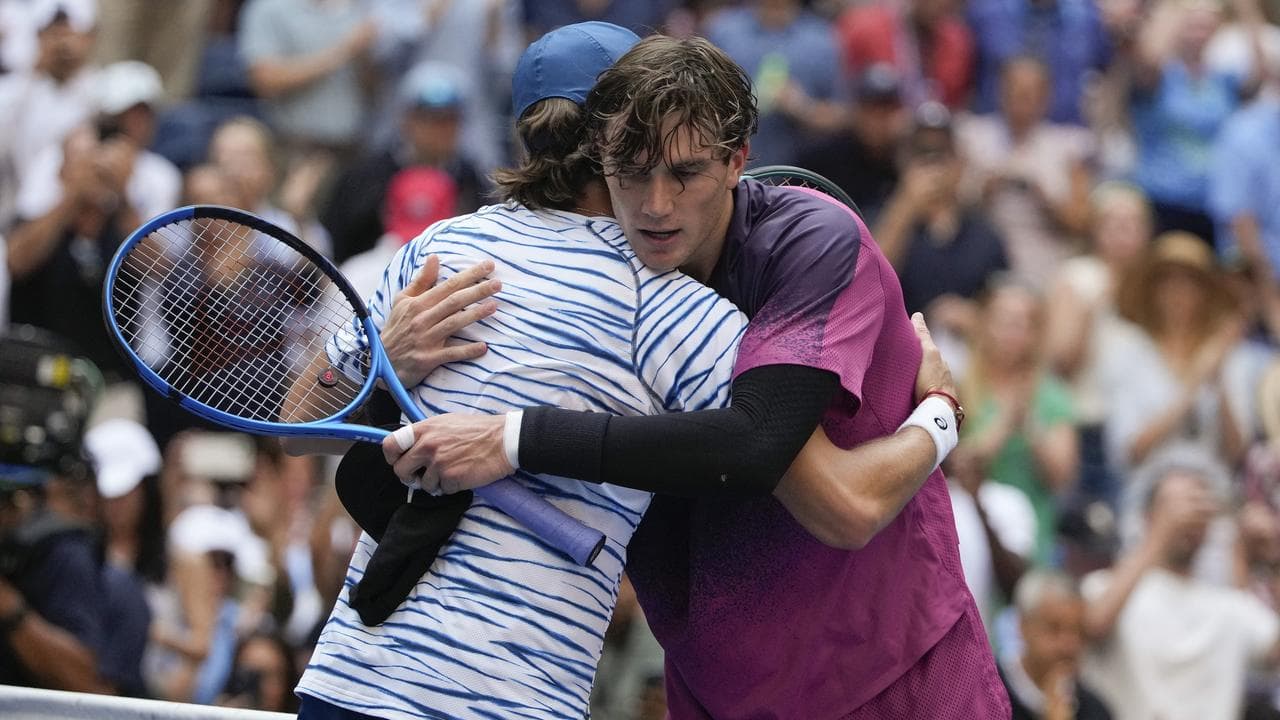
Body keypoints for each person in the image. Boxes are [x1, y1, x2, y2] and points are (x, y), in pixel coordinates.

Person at [385, 34, 1007, 718]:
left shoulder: (806, 241)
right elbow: (367, 452)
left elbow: (840, 502)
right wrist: (395, 361)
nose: (655, 205)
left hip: (892, 671)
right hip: (717, 687)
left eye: (684, 174)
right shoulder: (574, 284)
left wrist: (940, 415)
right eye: (631, 169)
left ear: (738, 160)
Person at [1080, 446, 1280, 720]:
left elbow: (1274, 650)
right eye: (1174, 504)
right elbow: (1090, 626)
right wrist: (1158, 536)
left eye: (1199, 503)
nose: (1187, 514)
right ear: (1147, 515)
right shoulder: (1105, 586)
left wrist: (1273, 559)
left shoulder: (1228, 604)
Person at [1002, 570, 1113, 720]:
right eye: (1054, 629)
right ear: (1022, 625)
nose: (1069, 644)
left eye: (1078, 631)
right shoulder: (984, 691)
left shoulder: (1095, 710)